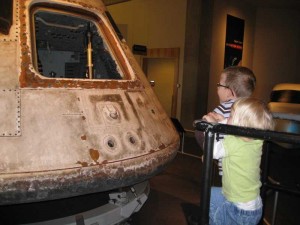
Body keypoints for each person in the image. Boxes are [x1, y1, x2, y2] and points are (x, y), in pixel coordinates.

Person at [207, 97, 275, 225]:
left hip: (238, 210)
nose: (228, 117)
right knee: (210, 194)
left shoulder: (233, 141)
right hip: (252, 206)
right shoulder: (256, 139)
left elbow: (213, 151)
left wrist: (212, 127)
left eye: (231, 115)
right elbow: (233, 124)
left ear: (241, 124)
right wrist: (221, 119)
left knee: (209, 200)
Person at [194, 66, 256, 175]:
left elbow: (221, 137)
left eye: (219, 85)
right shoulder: (252, 110)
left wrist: (210, 123)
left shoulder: (222, 109)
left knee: (199, 130)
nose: (217, 88)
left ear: (228, 92)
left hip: (229, 168)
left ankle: (209, 154)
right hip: (248, 166)